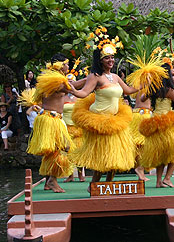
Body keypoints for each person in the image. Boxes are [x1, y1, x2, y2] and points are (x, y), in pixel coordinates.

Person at [69, 28, 137, 186]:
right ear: (100, 60)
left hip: (115, 120)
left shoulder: (115, 77)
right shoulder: (95, 76)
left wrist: (144, 84)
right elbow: (84, 93)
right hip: (99, 120)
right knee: (103, 157)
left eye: (112, 57)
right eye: (107, 58)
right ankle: (94, 186)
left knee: (115, 156)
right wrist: (72, 89)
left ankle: (109, 185)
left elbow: (128, 91)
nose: (111, 61)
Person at [138, 62, 174, 188]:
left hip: (155, 123)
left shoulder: (153, 89)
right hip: (168, 124)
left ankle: (159, 182)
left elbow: (142, 99)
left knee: (160, 154)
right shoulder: (169, 91)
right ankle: (167, 178)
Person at [27, 54, 76, 193]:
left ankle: (48, 182)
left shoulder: (51, 79)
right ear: (60, 65)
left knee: (52, 150)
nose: (68, 67)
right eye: (66, 64)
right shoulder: (56, 81)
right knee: (62, 147)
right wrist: (92, 79)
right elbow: (72, 88)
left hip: (51, 118)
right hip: (51, 119)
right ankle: (52, 180)